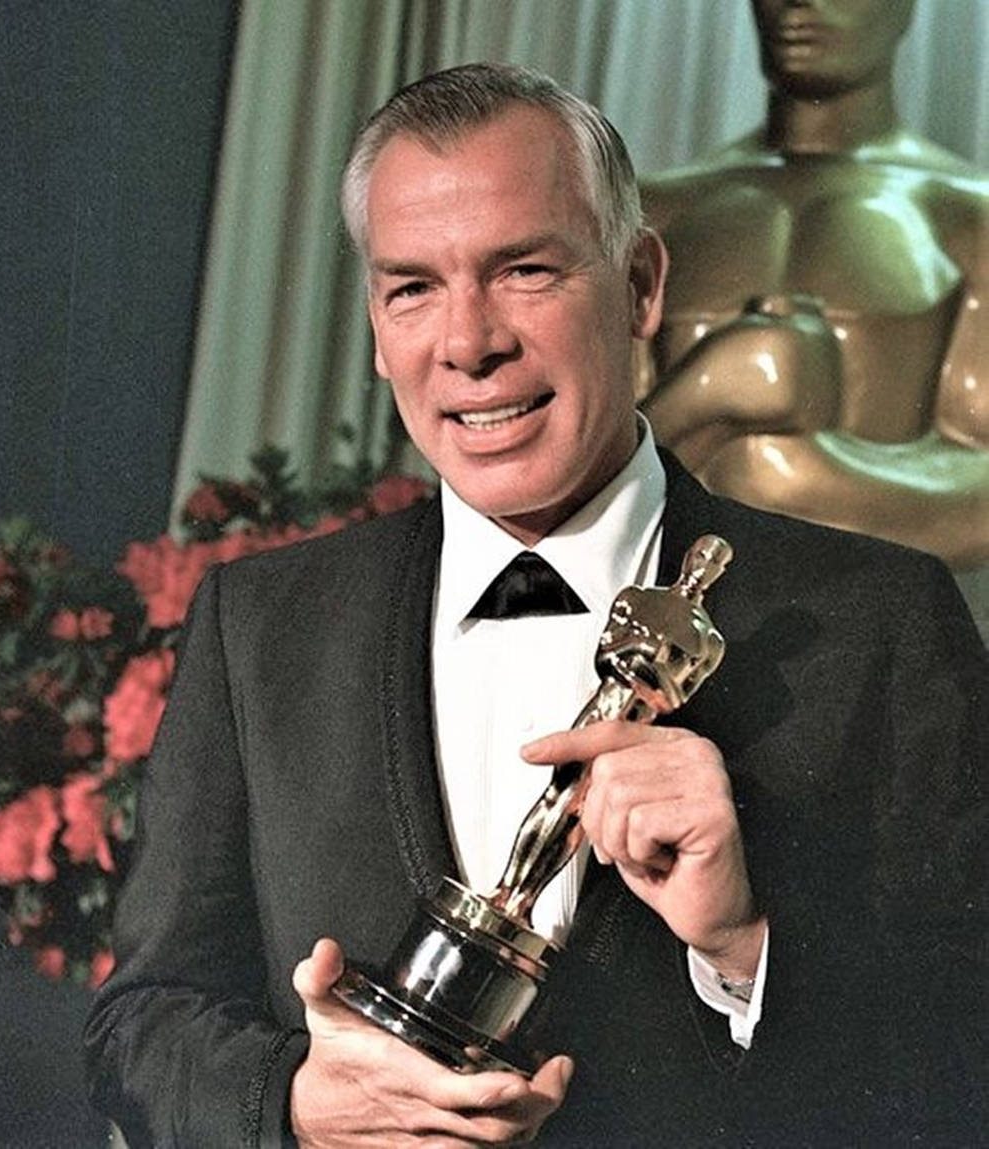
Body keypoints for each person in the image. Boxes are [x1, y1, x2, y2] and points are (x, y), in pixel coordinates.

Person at [84, 63, 986, 1147]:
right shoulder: (257, 625)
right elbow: (139, 1024)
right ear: (376, 326)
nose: (468, 344)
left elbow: (959, 1055)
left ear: (642, 286)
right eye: (411, 286)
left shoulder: (880, 622)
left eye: (523, 271)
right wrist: (291, 1102)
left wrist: (745, 946)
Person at [638, 0, 989, 581]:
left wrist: (785, 477)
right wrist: (711, 389)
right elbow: (581, 467)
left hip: (878, 634)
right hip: (662, 623)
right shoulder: (653, 211)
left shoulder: (968, 217)